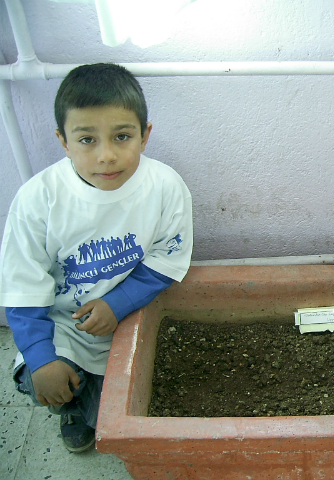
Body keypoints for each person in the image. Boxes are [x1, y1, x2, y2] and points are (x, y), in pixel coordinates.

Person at [0, 63, 193, 453]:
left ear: (145, 135)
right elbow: (22, 285)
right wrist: (41, 358)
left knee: (127, 403)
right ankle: (70, 408)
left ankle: (88, 408)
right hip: (65, 324)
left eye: (122, 136)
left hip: (130, 315)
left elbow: (166, 260)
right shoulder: (38, 199)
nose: (106, 155)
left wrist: (115, 303)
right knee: (42, 380)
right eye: (87, 140)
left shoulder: (165, 186)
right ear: (63, 141)